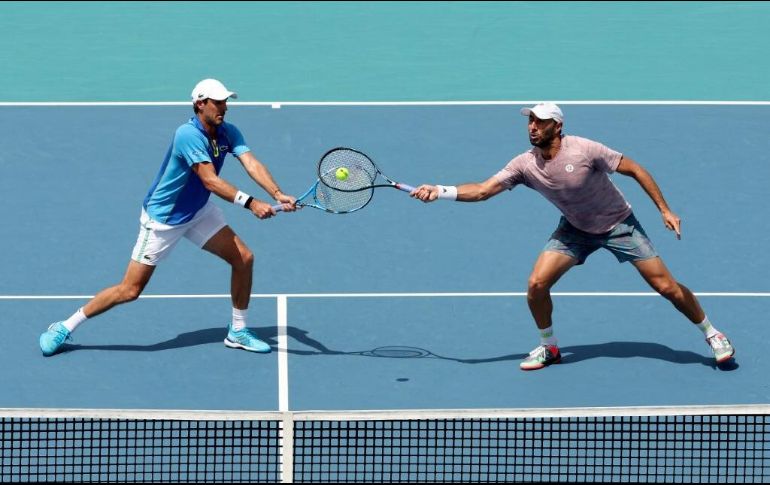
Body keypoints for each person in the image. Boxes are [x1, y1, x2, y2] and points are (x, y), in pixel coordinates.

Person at [410, 102, 735, 371]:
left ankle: (713, 333)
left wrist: (665, 209)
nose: (532, 127)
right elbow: (482, 191)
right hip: (575, 229)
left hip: (620, 224)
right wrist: (440, 191)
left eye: (540, 122)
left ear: (557, 127)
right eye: (531, 121)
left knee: (666, 286)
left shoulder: (585, 150)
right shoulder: (524, 164)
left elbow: (635, 169)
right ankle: (549, 347)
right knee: (537, 285)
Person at [39, 79, 297, 357]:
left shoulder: (228, 132)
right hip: (164, 220)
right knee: (130, 290)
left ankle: (238, 331)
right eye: (218, 102)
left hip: (198, 211)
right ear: (200, 104)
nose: (224, 107)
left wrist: (277, 192)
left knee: (244, 258)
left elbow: (251, 162)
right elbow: (210, 180)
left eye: (225, 101)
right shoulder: (188, 135)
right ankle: (65, 326)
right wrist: (251, 203)